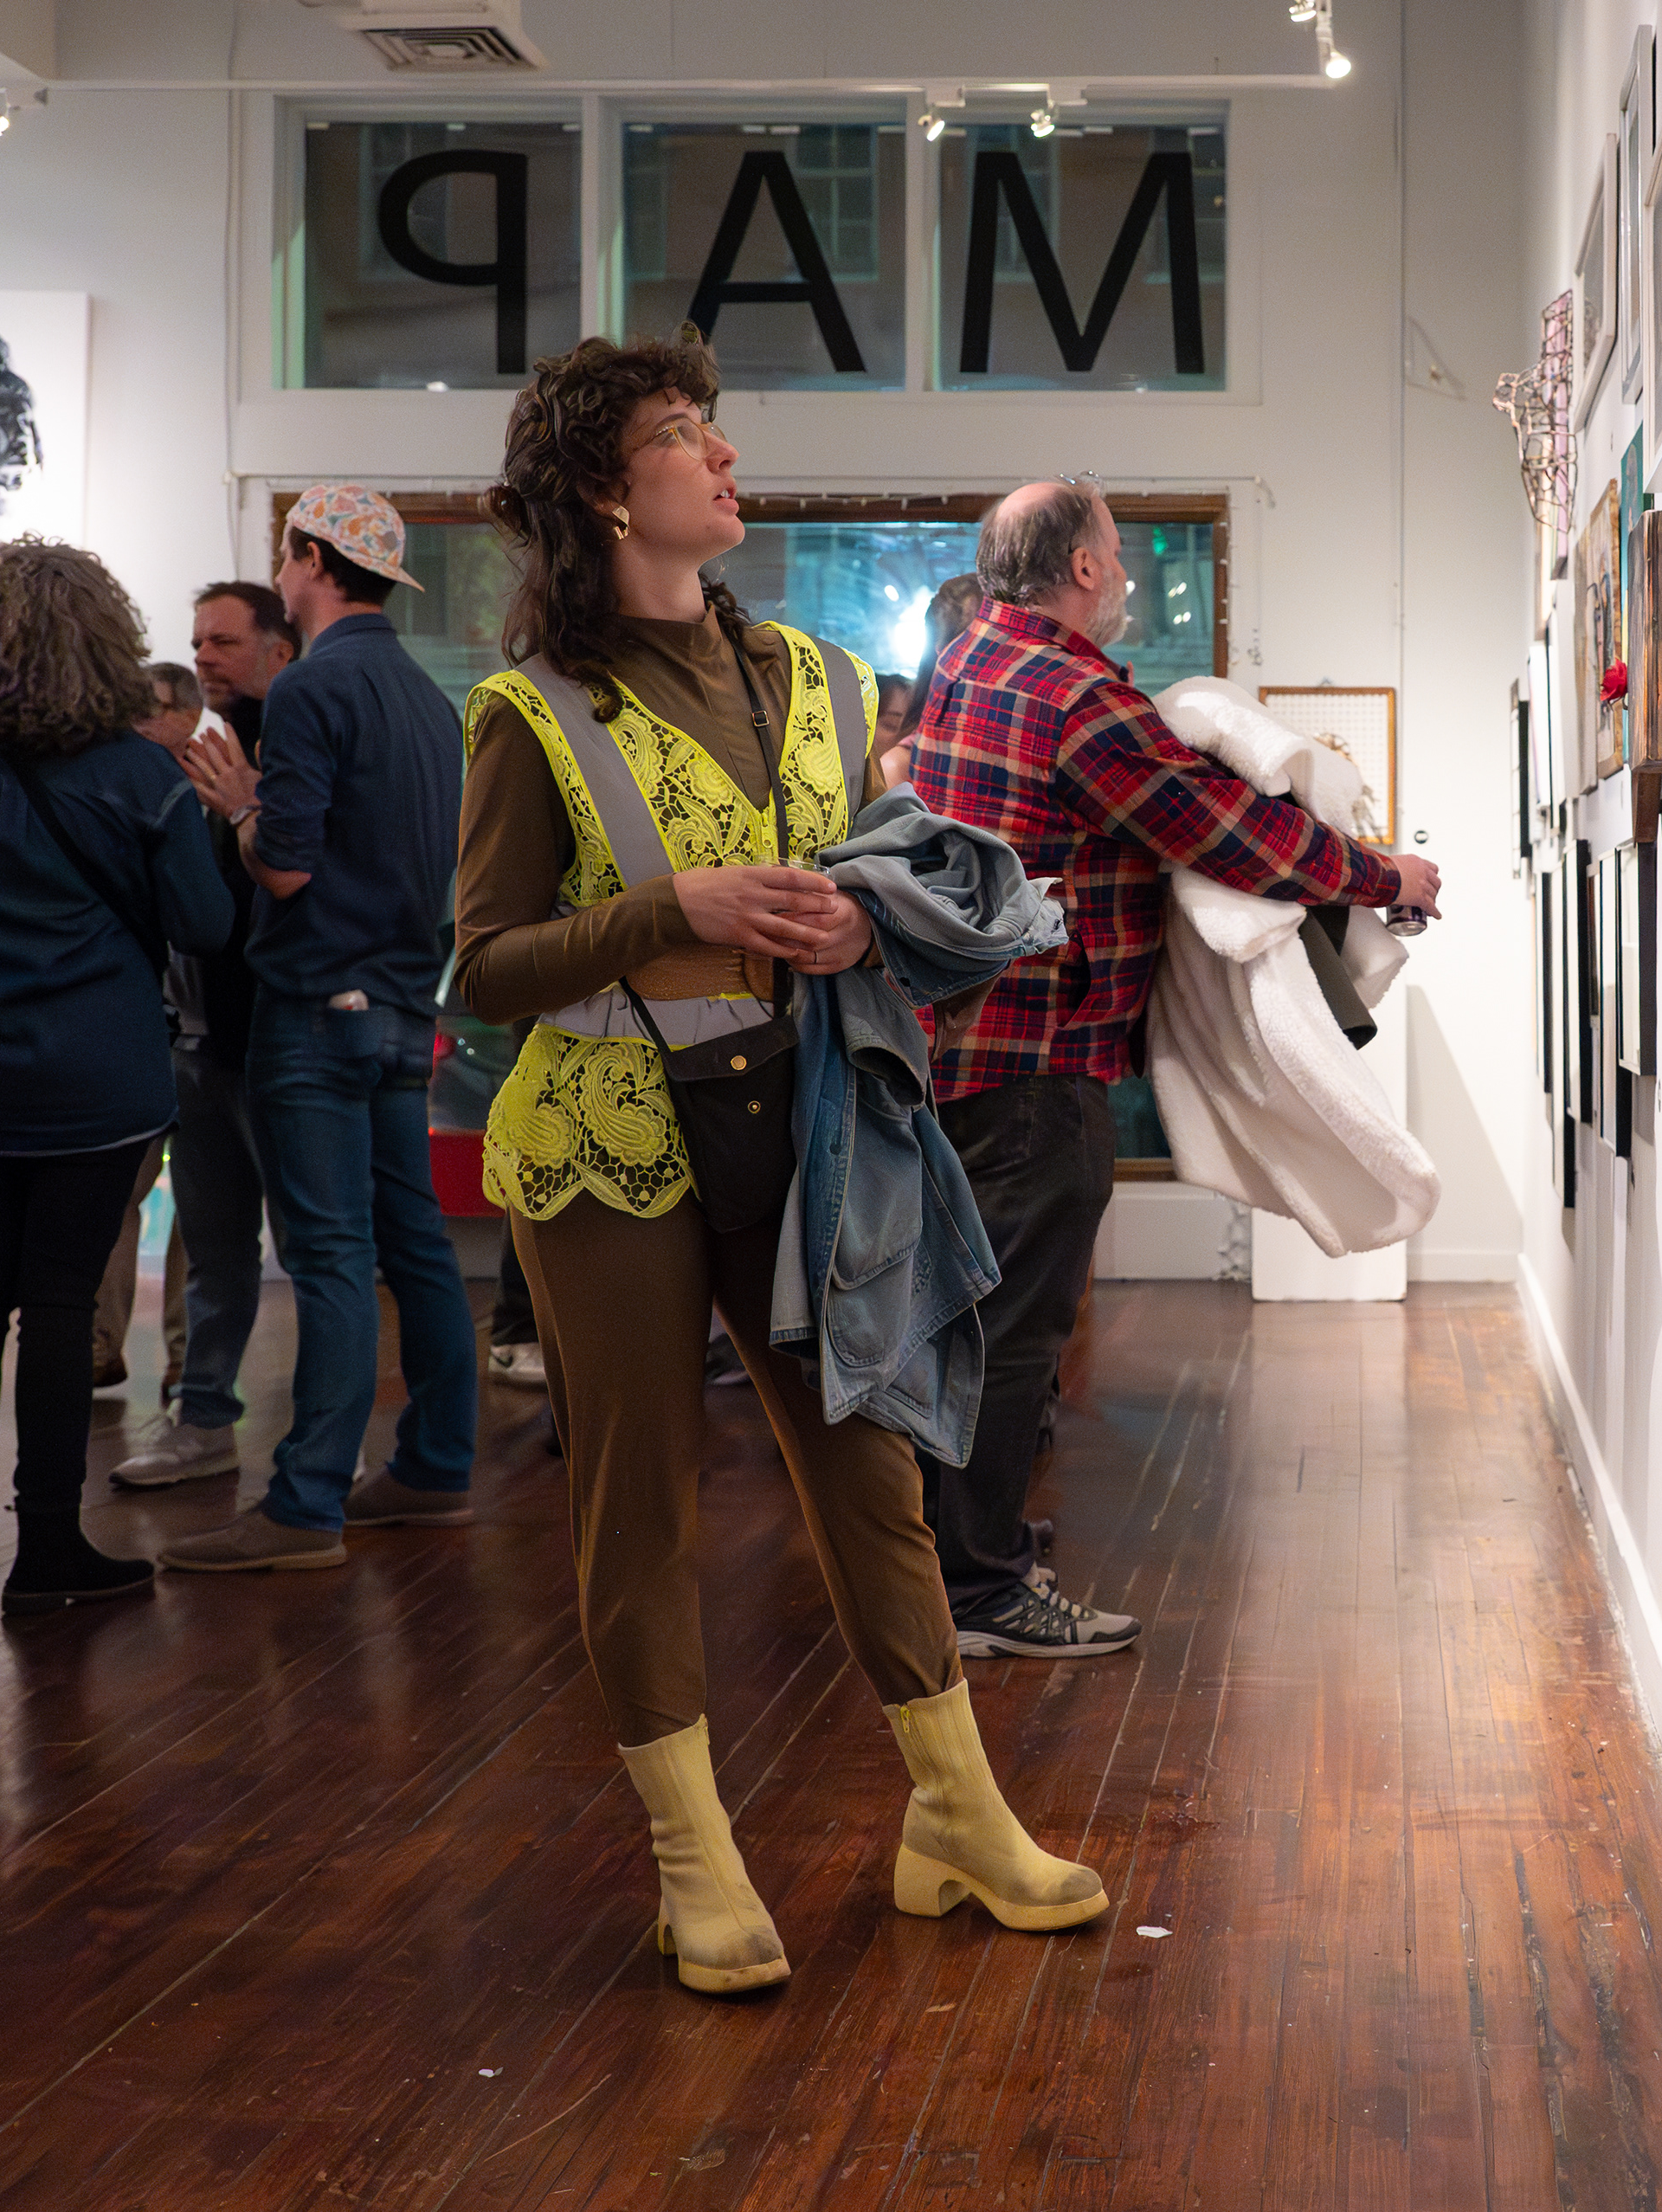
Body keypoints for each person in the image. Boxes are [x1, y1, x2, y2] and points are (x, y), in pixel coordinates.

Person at [455, 333, 1105, 1994]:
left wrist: (857, 918)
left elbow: (867, 867)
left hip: (804, 1120)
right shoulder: (530, 713)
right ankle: (694, 1860)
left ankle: (958, 1817)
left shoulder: (823, 681)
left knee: (871, 1470)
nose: (726, 457)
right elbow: (485, 968)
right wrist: (669, 910)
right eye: (687, 433)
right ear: (606, 490)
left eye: (714, 428)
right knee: (640, 1499)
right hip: (607, 1143)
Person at [908, 480, 1441, 1657]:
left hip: (962, 1046)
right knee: (1018, 1332)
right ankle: (981, 1590)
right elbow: (1224, 832)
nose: (1125, 574)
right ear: (1082, 568)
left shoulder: (972, 660)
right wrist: (1384, 874)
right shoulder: (1074, 696)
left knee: (972, 1320)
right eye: (1116, 554)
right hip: (1038, 1055)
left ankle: (962, 1551)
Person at [159, 487, 477, 1568]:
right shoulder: (429, 698)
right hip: (403, 1002)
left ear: (307, 558)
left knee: (332, 1253)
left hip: (316, 1009)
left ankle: (304, 1504)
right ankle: (435, 1465)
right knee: (414, 1243)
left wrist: (243, 805)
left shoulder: (310, 686)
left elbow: (285, 867)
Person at [0, 545, 233, 1615]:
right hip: (97, 1079)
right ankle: (51, 1546)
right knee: (63, 1309)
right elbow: (203, 924)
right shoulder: (141, 776)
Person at [111, 587, 296, 1489]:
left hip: (279, 1043)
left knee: (316, 1253)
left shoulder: (288, 751)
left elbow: (286, 889)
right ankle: (204, 1416)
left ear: (277, 649)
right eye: (197, 642)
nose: (205, 655)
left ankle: (326, 1444)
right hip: (201, 1041)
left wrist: (245, 812)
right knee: (215, 1249)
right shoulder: (205, 762)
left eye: (223, 640)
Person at [86, 660, 218, 1401]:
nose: (137, 718)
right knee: (115, 1193)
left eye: (153, 705)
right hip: (144, 1023)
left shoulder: (207, 791)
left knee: (200, 1204)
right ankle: (100, 1342)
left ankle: (188, 1357)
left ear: (188, 717)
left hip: (198, 1027)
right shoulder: (121, 788)